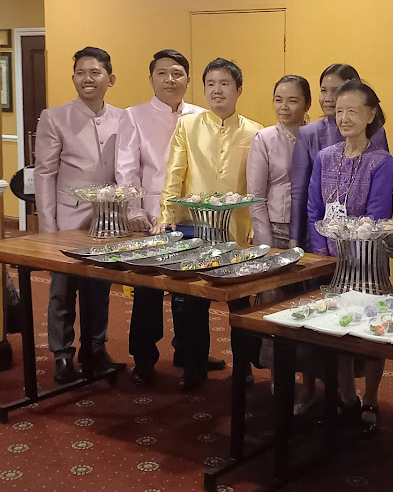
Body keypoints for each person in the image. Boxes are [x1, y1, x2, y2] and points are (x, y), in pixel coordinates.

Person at [116, 49, 228, 387]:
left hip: (194, 217)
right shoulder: (133, 116)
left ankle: (191, 356)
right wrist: (134, 211)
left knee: (192, 293)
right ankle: (144, 357)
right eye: (162, 73)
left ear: (188, 79)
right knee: (147, 291)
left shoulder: (202, 114)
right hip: (151, 217)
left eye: (177, 73)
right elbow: (126, 167)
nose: (170, 80)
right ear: (151, 79)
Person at [154, 58, 262, 390]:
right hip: (193, 229)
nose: (217, 90)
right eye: (211, 84)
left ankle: (244, 367)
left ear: (239, 89)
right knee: (191, 302)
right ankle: (194, 364)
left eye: (225, 83)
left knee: (242, 303)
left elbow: (258, 185)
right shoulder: (187, 126)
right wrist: (166, 217)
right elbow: (175, 175)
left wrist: (258, 229)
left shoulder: (255, 131)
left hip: (238, 231)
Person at [307, 80, 393, 435]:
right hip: (329, 261)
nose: (344, 117)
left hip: (367, 262)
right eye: (339, 110)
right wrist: (322, 253)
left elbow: (377, 215)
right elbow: (314, 208)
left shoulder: (381, 161)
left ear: (371, 115)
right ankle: (345, 395)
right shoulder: (324, 157)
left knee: (371, 331)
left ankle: (370, 397)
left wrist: (350, 253)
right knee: (336, 331)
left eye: (353, 110)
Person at [34, 46, 123, 384]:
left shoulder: (121, 117)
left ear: (110, 79)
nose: (87, 78)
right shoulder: (54, 117)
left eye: (95, 72)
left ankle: (95, 349)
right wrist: (48, 229)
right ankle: (61, 354)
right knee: (62, 290)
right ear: (73, 78)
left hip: (106, 222)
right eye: (81, 73)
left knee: (99, 289)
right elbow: (44, 173)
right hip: (66, 222)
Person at [289, 64, 388, 250]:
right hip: (321, 243)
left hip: (364, 251)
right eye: (323, 90)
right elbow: (304, 197)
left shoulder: (378, 146)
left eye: (335, 91)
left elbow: (379, 205)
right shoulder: (318, 148)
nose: (328, 98)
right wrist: (299, 241)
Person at [247, 75, 311, 248]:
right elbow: (255, 197)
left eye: (292, 101)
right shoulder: (264, 138)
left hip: (313, 228)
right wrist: (265, 244)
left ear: (307, 104)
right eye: (278, 100)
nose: (283, 107)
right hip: (278, 230)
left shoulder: (316, 136)